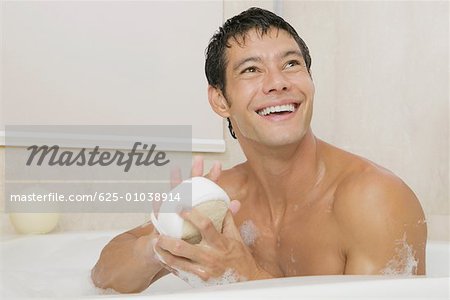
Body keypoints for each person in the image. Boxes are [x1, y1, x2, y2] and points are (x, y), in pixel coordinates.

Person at [91, 7, 427, 293]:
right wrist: (164, 244)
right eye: (251, 69)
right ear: (220, 100)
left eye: (292, 64)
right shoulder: (224, 199)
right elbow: (104, 274)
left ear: (310, 81)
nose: (278, 82)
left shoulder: (374, 200)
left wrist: (244, 277)